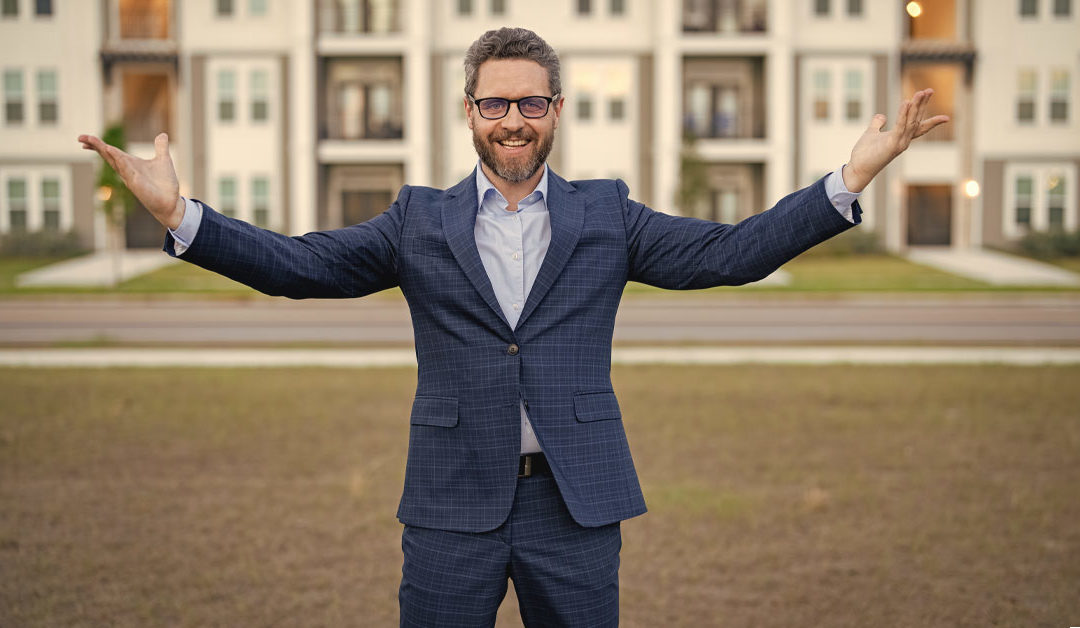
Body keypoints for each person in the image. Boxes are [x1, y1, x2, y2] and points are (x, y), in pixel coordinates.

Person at [79, 26, 947, 628]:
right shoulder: (417, 221)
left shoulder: (607, 216)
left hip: (573, 506)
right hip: (452, 503)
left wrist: (848, 179)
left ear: (557, 110)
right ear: (469, 114)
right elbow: (300, 267)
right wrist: (182, 214)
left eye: (531, 104)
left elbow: (733, 252)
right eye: (495, 105)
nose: (513, 121)